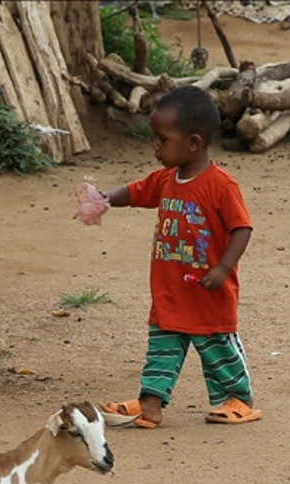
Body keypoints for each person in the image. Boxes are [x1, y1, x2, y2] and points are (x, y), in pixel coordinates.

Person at [97, 85, 261, 428]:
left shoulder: (221, 185)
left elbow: (241, 228)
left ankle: (239, 400)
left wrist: (223, 268)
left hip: (207, 292)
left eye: (162, 139)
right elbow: (136, 191)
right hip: (171, 291)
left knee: (218, 351)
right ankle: (150, 405)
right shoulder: (166, 179)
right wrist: (105, 199)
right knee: (161, 352)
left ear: (194, 143)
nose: (155, 147)